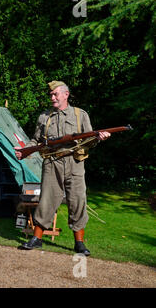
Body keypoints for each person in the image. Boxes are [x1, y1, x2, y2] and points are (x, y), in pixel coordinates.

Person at [15, 81, 110, 256]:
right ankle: (37, 239)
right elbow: (36, 141)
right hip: (52, 163)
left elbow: (90, 139)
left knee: (77, 201)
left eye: (55, 94)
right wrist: (24, 150)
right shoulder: (44, 117)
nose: (52, 98)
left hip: (75, 163)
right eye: (50, 95)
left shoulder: (80, 115)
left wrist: (99, 138)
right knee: (46, 200)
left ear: (66, 94)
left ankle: (79, 244)